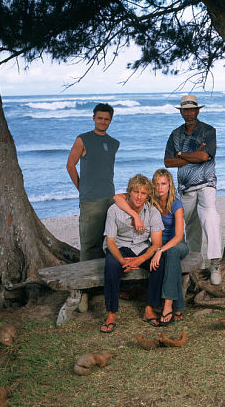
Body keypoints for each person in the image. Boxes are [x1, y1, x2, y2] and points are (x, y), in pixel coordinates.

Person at [114, 169, 189, 326]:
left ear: (170, 185)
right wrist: (135, 216)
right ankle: (179, 307)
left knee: (172, 253)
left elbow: (178, 236)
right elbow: (117, 198)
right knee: (169, 261)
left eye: (163, 184)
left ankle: (167, 305)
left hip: (177, 245)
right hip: (156, 245)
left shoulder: (176, 204)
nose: (160, 187)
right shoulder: (150, 201)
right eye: (157, 184)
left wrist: (160, 250)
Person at [164, 95, 223, 285]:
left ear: (197, 111)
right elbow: (168, 161)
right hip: (186, 188)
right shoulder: (175, 134)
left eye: (192, 110)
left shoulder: (208, 130)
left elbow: (205, 156)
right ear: (181, 112)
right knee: (190, 226)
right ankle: (193, 265)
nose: (189, 114)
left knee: (210, 217)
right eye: (185, 110)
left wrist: (181, 153)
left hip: (206, 183)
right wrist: (192, 155)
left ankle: (215, 263)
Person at [66, 103, 120, 311]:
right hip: (90, 200)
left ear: (110, 120)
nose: (102, 121)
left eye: (106, 118)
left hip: (110, 199)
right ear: (93, 118)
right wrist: (82, 189)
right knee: (88, 245)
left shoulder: (114, 143)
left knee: (107, 243)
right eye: (99, 118)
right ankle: (84, 292)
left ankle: (100, 286)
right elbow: (70, 165)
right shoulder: (83, 139)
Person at [101, 174, 164, 333]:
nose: (139, 197)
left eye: (143, 193)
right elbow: (110, 242)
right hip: (120, 247)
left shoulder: (153, 212)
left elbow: (156, 244)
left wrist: (139, 260)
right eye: (136, 192)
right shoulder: (114, 210)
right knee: (110, 265)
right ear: (129, 192)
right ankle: (111, 313)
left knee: (159, 263)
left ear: (147, 195)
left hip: (141, 247)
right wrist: (123, 262)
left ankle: (149, 308)